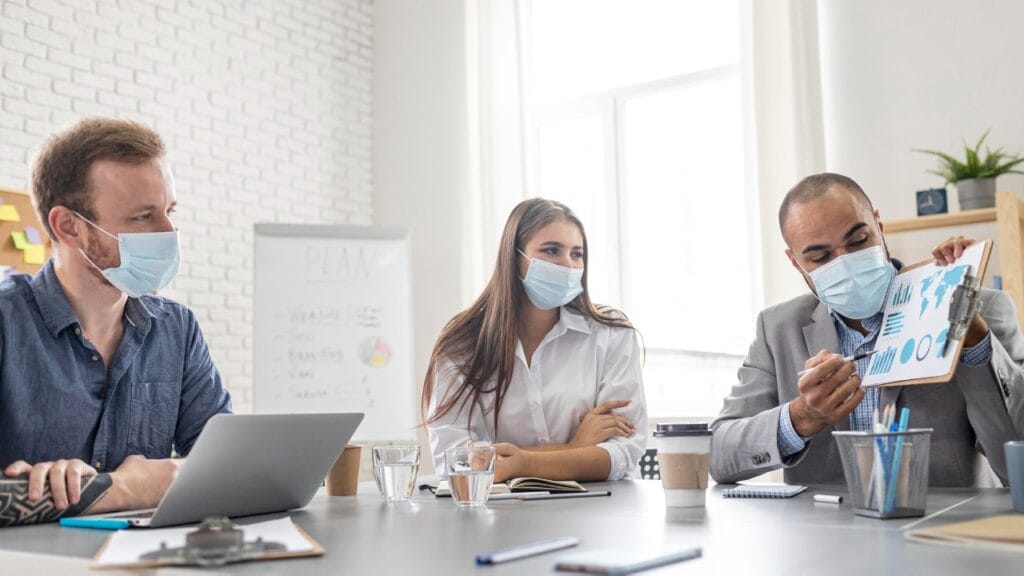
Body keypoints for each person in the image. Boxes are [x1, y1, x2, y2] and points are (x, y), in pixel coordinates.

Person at [711, 172, 1024, 486]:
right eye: (821, 257)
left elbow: (1016, 458)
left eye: (859, 241)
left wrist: (973, 342)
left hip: (941, 530)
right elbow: (718, 455)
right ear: (796, 263)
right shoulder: (777, 328)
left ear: (879, 226)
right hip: (825, 532)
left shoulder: (979, 307)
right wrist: (802, 417)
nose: (846, 262)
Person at [0, 118, 231, 520]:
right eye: (142, 217)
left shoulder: (177, 329)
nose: (169, 232)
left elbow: (229, 468)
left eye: (169, 211)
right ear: (68, 226)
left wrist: (96, 491)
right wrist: (123, 489)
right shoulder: (7, 321)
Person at [423, 198, 647, 482]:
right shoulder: (463, 345)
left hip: (601, 508)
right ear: (514, 258)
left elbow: (624, 452)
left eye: (576, 254)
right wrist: (575, 448)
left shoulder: (611, 334)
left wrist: (519, 462)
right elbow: (455, 462)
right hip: (502, 517)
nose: (567, 264)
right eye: (552, 250)